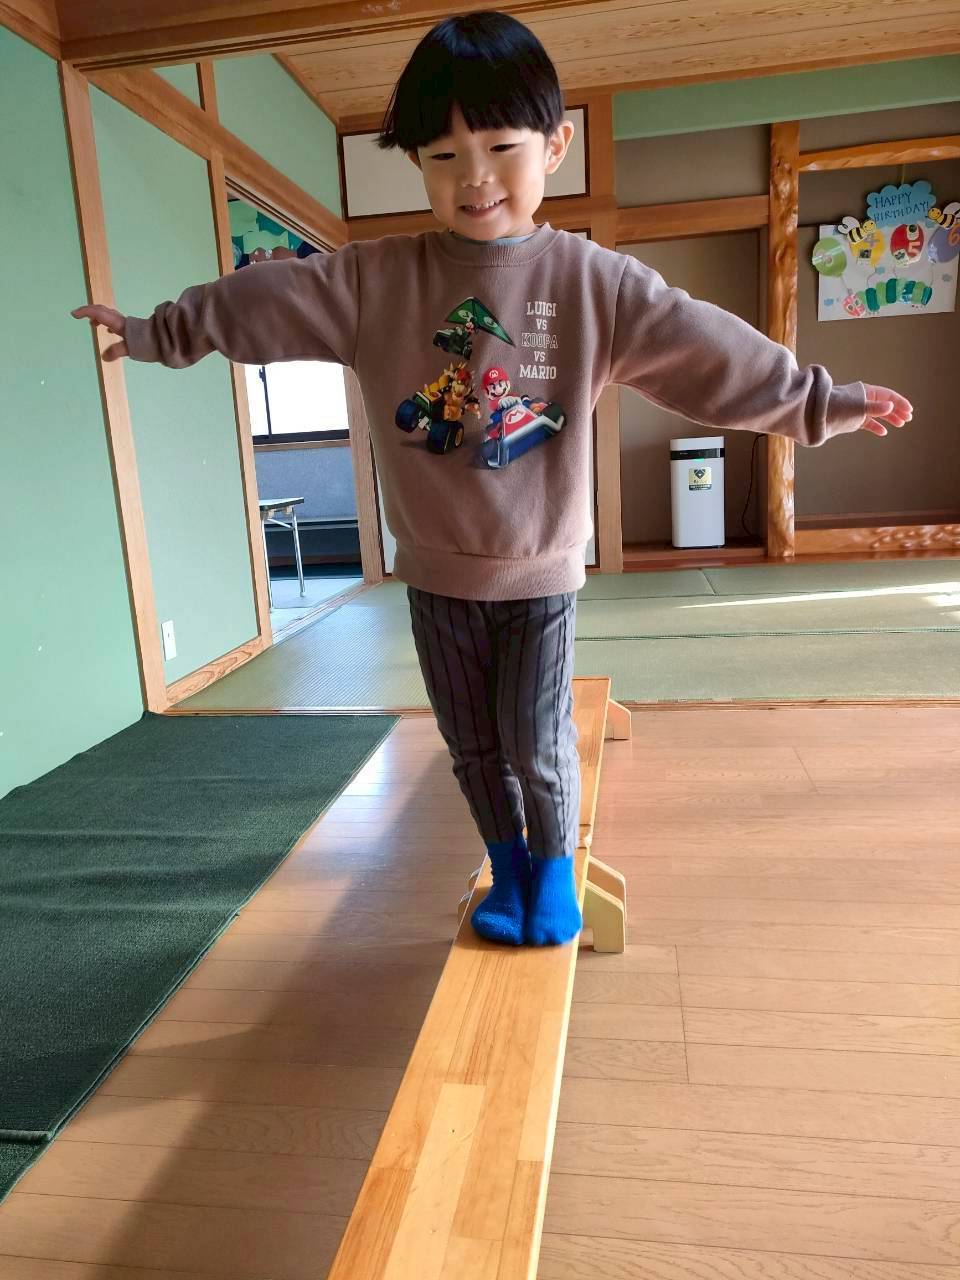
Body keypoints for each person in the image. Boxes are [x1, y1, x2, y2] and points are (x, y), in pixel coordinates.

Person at [72, 11, 913, 949]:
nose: (474, 177)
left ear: (554, 146)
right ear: (418, 164)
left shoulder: (593, 282)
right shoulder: (375, 280)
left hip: (539, 574)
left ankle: (553, 877)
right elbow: (264, 300)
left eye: (502, 148)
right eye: (443, 157)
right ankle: (507, 869)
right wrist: (159, 331)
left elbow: (708, 349)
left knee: (535, 740)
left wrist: (822, 402)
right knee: (471, 743)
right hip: (435, 574)